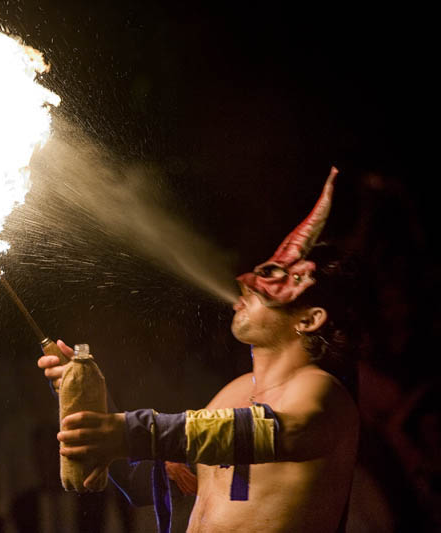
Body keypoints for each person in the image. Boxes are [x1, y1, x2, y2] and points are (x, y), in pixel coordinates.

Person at [38, 168, 361, 532]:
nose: (247, 285)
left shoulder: (321, 391)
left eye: (276, 280)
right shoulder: (234, 395)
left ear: (310, 319)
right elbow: (142, 485)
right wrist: (91, 400)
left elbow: (284, 431)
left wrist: (130, 431)